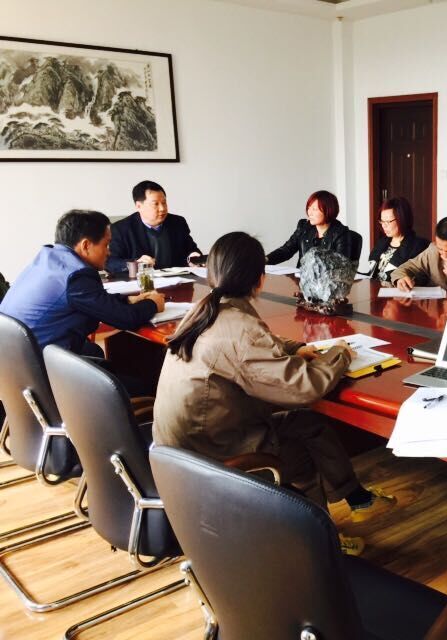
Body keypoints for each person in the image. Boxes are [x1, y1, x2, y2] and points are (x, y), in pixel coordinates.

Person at [153, 231, 395, 554]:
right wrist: (340, 354)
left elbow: (258, 345)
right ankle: (320, 545)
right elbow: (304, 387)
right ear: (260, 280)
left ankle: (356, 497)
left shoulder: (205, 309)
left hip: (185, 446)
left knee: (310, 424)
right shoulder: (239, 328)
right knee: (301, 454)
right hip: (214, 453)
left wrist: (298, 348)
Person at [0, 210, 164, 358]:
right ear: (86, 245)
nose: (109, 252)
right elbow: (126, 319)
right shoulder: (77, 276)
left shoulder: (48, 259)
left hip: (13, 355)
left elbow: (96, 300)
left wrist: (128, 300)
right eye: (106, 244)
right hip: (37, 364)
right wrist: (153, 304)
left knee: (94, 352)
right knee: (131, 376)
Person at [107, 180, 202, 273]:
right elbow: (110, 263)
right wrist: (136, 263)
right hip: (143, 280)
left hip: (178, 279)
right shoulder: (121, 229)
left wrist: (194, 257)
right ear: (139, 206)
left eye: (164, 202)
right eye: (155, 204)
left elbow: (191, 249)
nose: (162, 208)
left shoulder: (178, 222)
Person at [266, 190, 358, 266]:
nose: (309, 212)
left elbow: (341, 265)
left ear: (328, 210)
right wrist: (265, 260)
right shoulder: (304, 227)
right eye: (309, 208)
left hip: (327, 281)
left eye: (314, 209)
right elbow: (286, 250)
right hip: (303, 279)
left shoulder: (341, 233)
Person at [366, 196, 429, 282]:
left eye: (388, 221)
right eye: (382, 221)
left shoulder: (418, 246)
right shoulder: (381, 243)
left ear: (402, 219)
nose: (384, 226)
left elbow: (420, 278)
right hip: (376, 288)